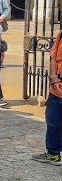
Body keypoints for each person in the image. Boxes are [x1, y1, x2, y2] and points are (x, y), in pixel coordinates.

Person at [32, 29, 62, 165]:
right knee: (53, 119)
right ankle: (53, 154)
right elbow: (53, 56)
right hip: (57, 86)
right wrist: (54, 77)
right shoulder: (61, 34)